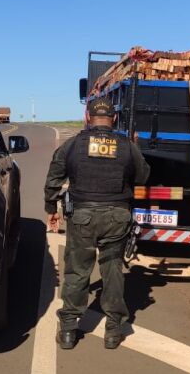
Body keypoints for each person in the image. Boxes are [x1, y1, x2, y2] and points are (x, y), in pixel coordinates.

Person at [44, 97, 150, 350]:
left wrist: (51, 208)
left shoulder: (73, 145)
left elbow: (54, 179)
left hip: (82, 217)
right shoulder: (127, 146)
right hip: (117, 216)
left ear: (88, 118)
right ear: (113, 119)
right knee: (112, 271)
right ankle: (113, 331)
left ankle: (69, 330)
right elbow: (144, 176)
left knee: (77, 272)